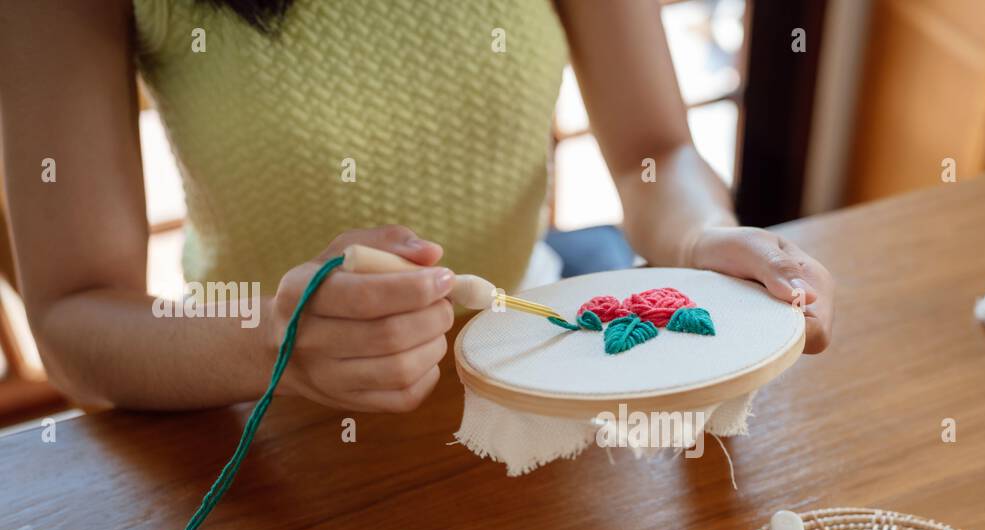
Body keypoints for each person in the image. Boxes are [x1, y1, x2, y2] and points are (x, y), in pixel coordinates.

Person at [0, 0, 834, 413]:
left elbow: (656, 149)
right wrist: (276, 339)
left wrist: (702, 234)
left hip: (526, 371)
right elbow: (75, 320)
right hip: (257, 416)